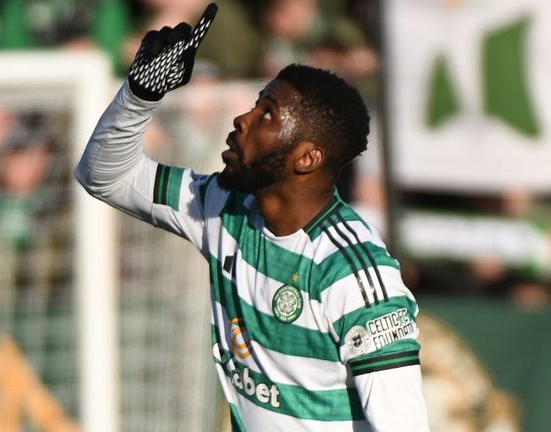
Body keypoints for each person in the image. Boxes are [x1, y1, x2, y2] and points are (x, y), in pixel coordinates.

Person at [75, 4, 430, 430]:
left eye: (267, 115)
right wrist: (139, 96)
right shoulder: (221, 208)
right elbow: (104, 175)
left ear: (307, 158)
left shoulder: (352, 275)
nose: (242, 119)